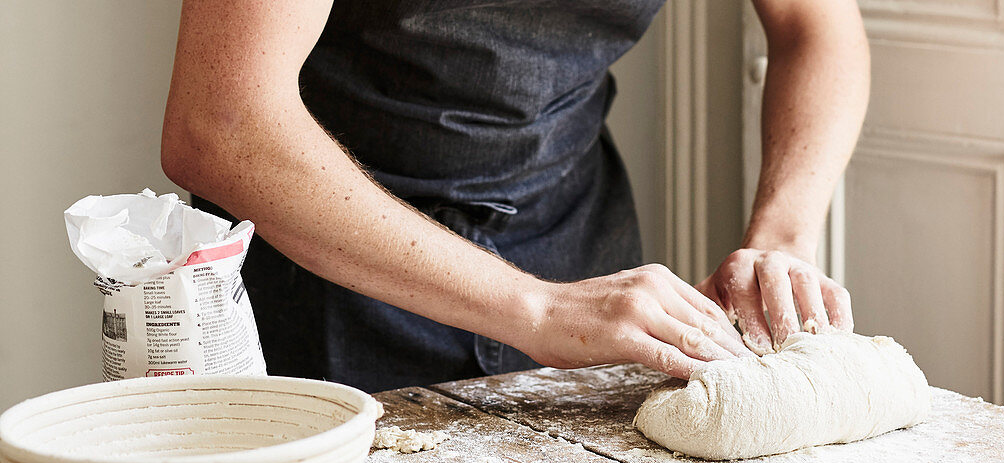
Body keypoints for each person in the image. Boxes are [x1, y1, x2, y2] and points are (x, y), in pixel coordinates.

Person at [162, 0, 868, 393]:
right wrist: (536, 308)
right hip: (328, 276)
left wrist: (782, 237)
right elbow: (222, 126)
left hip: (575, 249)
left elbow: (818, 29)